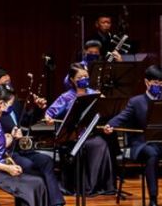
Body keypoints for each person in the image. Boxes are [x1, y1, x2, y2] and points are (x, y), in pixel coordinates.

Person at [0, 69, 72, 206]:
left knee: (46, 161)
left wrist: (37, 109)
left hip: (21, 149)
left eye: (9, 82)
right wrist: (8, 136)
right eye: (5, 83)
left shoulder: (12, 101)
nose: (9, 86)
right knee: (29, 166)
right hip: (5, 154)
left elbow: (25, 122)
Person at [104, 65, 162, 206]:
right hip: (142, 145)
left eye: (161, 83)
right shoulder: (136, 102)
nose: (159, 86)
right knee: (151, 153)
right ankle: (153, 199)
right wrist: (110, 124)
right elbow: (122, 117)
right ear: (146, 82)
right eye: (155, 82)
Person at [45, 63, 114, 195]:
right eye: (80, 77)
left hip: (89, 134)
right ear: (72, 80)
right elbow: (49, 113)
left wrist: (104, 102)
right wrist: (48, 118)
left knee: (101, 143)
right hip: (72, 135)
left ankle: (99, 186)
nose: (84, 79)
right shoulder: (66, 97)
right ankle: (83, 187)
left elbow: (104, 112)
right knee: (84, 147)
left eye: (86, 76)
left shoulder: (94, 94)